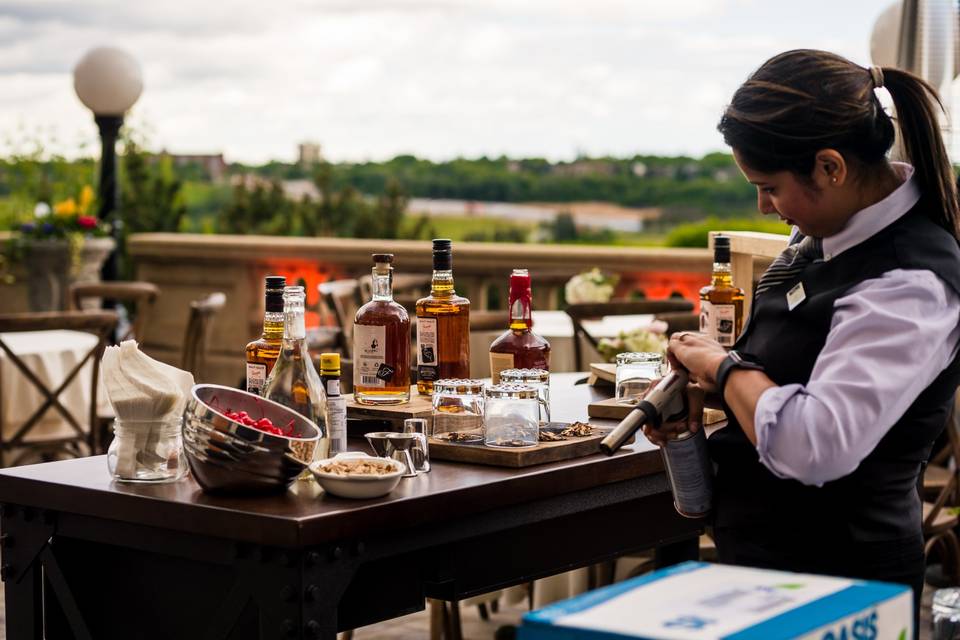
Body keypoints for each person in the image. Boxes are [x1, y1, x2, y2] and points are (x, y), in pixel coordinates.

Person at [649, 49, 960, 629]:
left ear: (831, 167)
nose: (764, 208)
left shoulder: (908, 282)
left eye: (768, 187)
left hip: (844, 591)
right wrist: (707, 399)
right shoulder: (827, 233)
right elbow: (794, 382)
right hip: (766, 573)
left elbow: (816, 443)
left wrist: (723, 368)